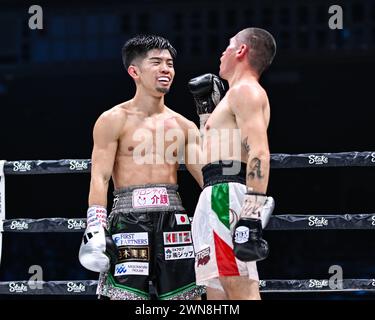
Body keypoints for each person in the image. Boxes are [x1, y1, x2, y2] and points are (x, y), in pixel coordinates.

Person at [78, 34, 204, 300]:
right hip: (128, 219)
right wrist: (95, 227)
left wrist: (209, 119)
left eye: (169, 63)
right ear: (134, 71)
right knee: (124, 297)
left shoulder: (184, 125)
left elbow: (206, 177)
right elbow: (100, 177)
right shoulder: (112, 120)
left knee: (184, 299)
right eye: (156, 62)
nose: (166, 69)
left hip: (174, 220)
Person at [188, 28, 276, 300]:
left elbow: (259, 151)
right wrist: (206, 116)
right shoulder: (231, 97)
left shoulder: (246, 91)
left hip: (226, 197)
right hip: (214, 194)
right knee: (218, 294)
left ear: (241, 51)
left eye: (228, 46)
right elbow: (211, 160)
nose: (222, 52)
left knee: (240, 291)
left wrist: (251, 214)